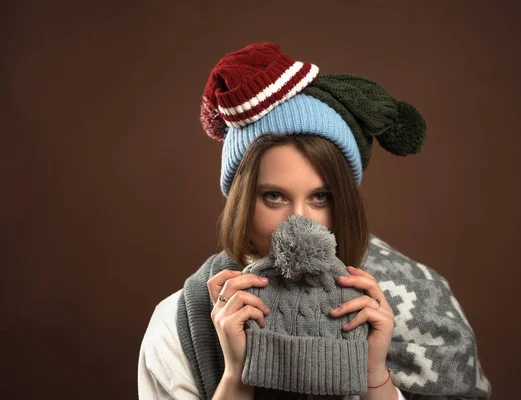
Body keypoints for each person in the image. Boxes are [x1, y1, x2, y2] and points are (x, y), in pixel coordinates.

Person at [137, 43, 491, 400]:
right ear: (241, 201)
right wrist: (236, 377)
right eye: (273, 196)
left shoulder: (411, 301)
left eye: (320, 197)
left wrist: (374, 377)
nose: (299, 222)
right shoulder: (177, 324)